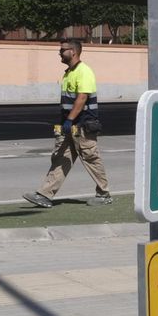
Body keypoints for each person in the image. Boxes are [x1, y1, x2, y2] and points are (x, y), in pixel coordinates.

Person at [23, 38, 112, 207]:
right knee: (61, 159)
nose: (59, 53)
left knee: (91, 158)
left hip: (83, 125)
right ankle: (45, 195)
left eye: (62, 50)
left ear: (73, 52)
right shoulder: (69, 73)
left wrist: (70, 120)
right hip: (70, 125)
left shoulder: (84, 71)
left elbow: (82, 97)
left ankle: (104, 194)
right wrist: (66, 122)